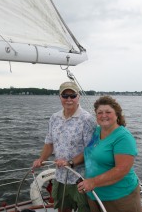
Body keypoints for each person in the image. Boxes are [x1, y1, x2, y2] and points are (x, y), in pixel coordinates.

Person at [33, 81, 96, 212]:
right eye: (65, 95)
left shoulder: (87, 119)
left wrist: (70, 162)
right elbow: (49, 143)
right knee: (62, 207)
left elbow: (90, 150)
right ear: (59, 97)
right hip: (60, 175)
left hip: (81, 177)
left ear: (78, 97)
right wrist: (41, 159)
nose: (69, 99)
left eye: (72, 95)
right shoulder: (54, 118)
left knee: (84, 209)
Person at [76, 95, 142, 212]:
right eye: (100, 112)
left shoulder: (123, 137)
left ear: (117, 114)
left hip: (119, 197)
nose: (104, 115)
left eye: (108, 112)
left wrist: (93, 182)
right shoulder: (97, 131)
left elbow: (122, 169)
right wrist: (70, 162)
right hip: (94, 194)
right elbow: (89, 153)